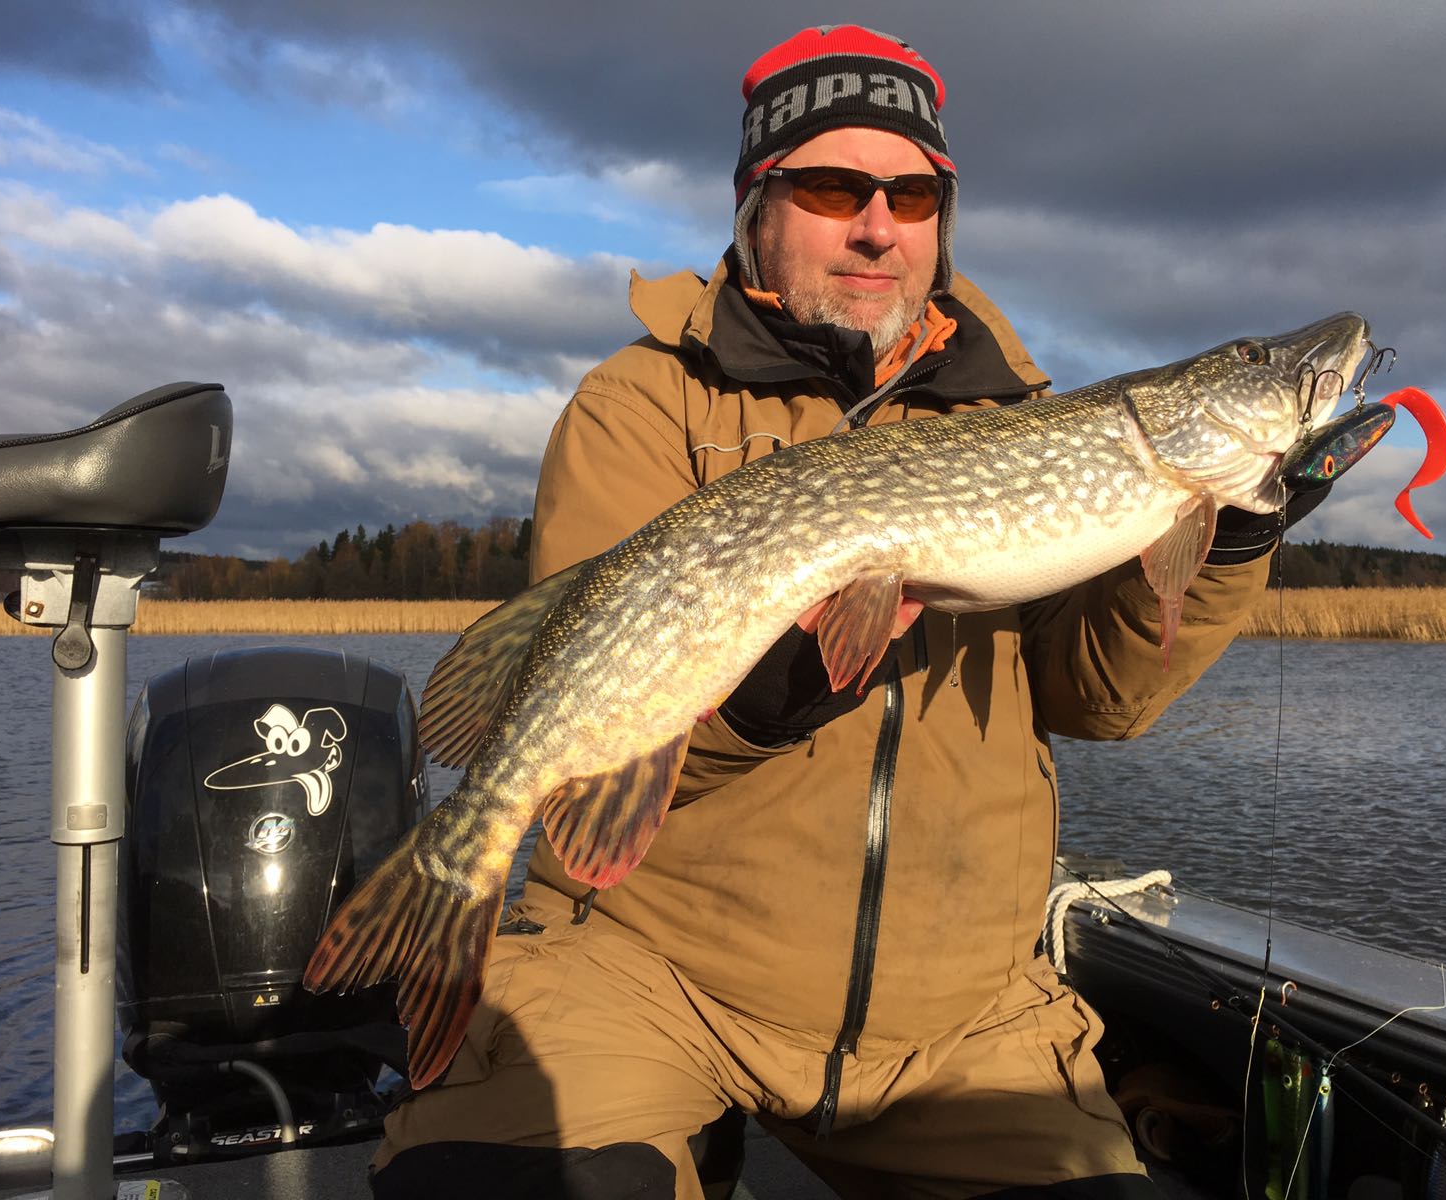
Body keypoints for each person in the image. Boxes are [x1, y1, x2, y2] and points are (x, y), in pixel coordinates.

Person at [371, 24, 1318, 1200]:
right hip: (652, 969)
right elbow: (582, 743)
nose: (878, 226)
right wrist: (766, 702)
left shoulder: (1021, 419)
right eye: (832, 188)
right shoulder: (643, 402)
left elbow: (1099, 701)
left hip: (959, 1015)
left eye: (913, 196)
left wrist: (1233, 538)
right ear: (755, 206)